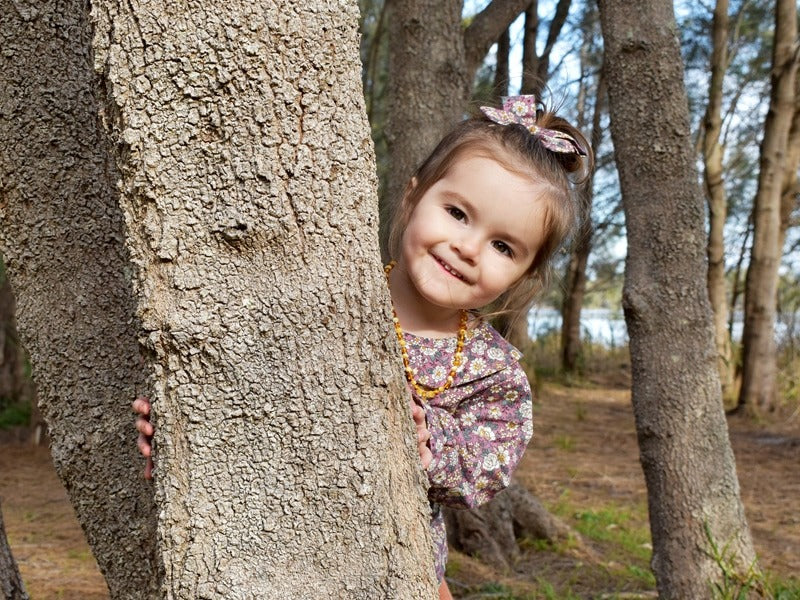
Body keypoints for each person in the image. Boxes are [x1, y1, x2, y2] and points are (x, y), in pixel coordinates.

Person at [134, 94, 591, 600]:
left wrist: (432, 439)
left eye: (503, 246)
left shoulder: (490, 371)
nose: (468, 247)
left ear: (523, 274)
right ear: (412, 198)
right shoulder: (328, 298)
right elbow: (250, 374)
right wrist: (187, 417)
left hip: (386, 568)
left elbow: (490, 462)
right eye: (458, 213)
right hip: (261, 542)